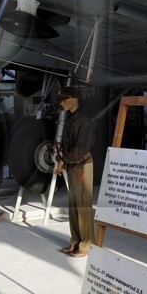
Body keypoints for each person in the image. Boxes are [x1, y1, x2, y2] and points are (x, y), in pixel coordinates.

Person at [56, 87, 94, 257]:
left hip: (82, 165)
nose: (62, 103)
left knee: (83, 205)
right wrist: (63, 160)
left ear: (73, 99)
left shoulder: (84, 120)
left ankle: (86, 244)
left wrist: (64, 160)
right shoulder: (71, 118)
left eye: (64, 100)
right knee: (73, 205)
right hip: (73, 164)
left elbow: (81, 148)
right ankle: (75, 240)